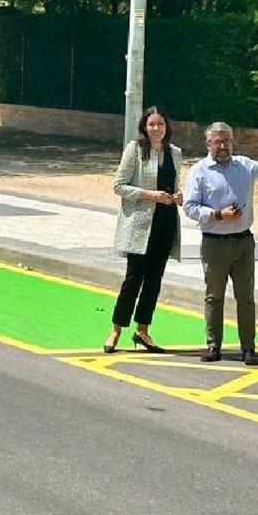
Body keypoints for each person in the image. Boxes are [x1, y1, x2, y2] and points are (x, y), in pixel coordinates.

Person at [182, 116, 258, 366]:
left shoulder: (244, 166)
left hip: (243, 242)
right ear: (208, 144)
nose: (223, 147)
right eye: (217, 142)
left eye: (227, 142)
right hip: (215, 243)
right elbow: (189, 207)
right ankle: (213, 345)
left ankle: (248, 348)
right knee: (214, 297)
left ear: (233, 143)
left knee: (246, 297)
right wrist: (218, 214)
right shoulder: (199, 171)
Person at [105, 106, 184, 354]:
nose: (156, 129)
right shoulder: (136, 150)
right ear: (144, 127)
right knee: (133, 279)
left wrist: (179, 196)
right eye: (152, 124)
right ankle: (116, 330)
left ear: (166, 127)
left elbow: (173, 184)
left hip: (165, 221)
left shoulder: (175, 153)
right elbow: (119, 186)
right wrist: (150, 195)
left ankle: (143, 330)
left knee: (154, 280)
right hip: (140, 224)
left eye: (160, 124)